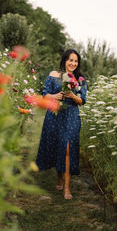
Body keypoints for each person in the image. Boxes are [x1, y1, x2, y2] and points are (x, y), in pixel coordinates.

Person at [36, 49, 87, 199]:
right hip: (55, 114)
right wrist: (55, 96)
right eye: (70, 60)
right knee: (58, 146)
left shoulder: (80, 79)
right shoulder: (54, 75)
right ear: (65, 60)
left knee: (67, 148)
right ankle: (59, 177)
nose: (73, 63)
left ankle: (67, 187)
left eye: (76, 61)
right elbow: (45, 93)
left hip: (71, 116)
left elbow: (82, 100)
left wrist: (72, 95)